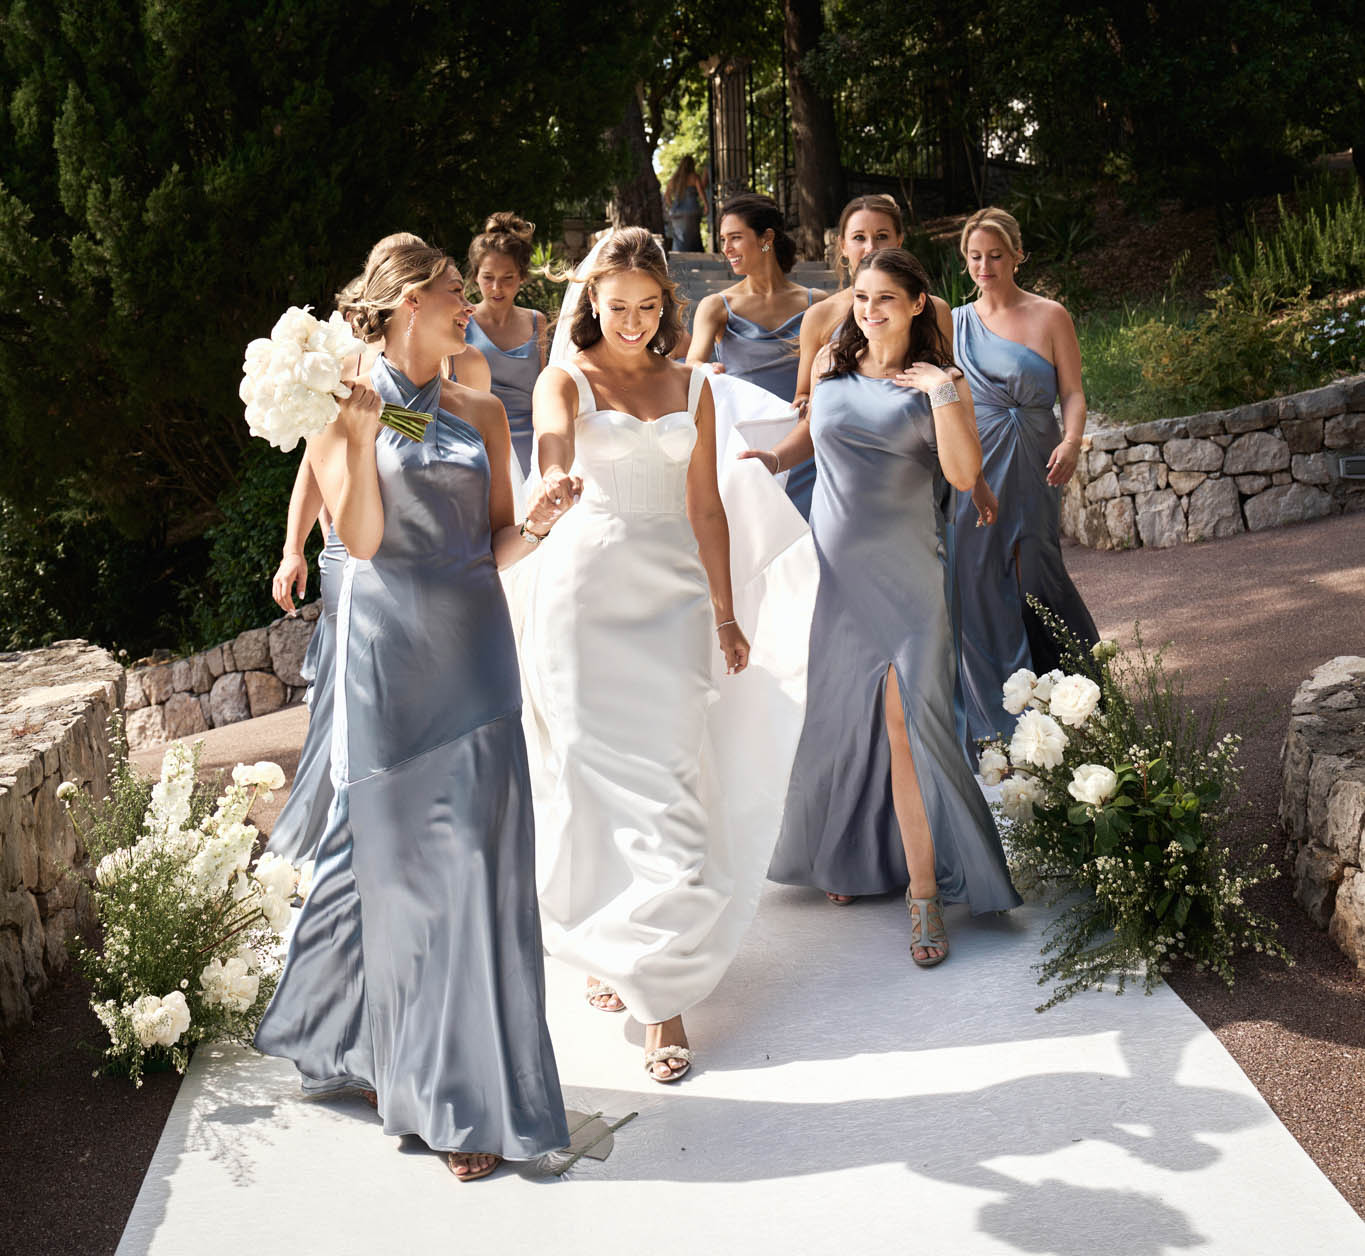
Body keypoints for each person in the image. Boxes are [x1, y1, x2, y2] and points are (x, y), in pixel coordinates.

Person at [256, 239, 568, 1183]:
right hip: (390, 659)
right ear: (400, 305)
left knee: (480, 865)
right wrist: (350, 431)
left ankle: (465, 1079)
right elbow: (362, 537)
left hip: (476, 652)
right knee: (407, 882)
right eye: (449, 294)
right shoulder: (349, 402)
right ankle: (442, 1103)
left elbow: (495, 545)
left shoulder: (481, 407)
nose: (467, 306)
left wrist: (542, 522)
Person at [520, 226, 801, 1087]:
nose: (633, 321)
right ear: (591, 305)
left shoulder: (693, 386)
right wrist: (558, 479)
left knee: (673, 790)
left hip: (673, 601)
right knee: (593, 791)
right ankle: (652, 995)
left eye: (647, 307)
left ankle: (653, 968)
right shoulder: (562, 377)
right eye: (617, 307)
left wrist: (724, 613)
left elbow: (707, 508)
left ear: (665, 308)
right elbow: (554, 445)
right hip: (584, 602)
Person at [745, 249, 1019, 963]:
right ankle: (854, 862)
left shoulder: (939, 381)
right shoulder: (833, 364)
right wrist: (772, 459)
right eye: (861, 296)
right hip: (837, 576)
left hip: (908, 581)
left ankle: (924, 895)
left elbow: (963, 476)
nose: (869, 309)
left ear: (918, 303)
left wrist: (942, 391)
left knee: (908, 727)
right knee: (842, 721)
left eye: (885, 299)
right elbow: (814, 425)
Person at [266, 245, 490, 864]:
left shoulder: (463, 368)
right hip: (352, 550)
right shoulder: (345, 370)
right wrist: (295, 547)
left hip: (429, 552)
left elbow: (441, 442)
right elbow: (316, 463)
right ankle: (338, 829)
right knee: (345, 692)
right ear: (401, 296)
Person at [951, 208, 1098, 735]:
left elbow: (1074, 392)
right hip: (975, 463)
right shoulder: (955, 323)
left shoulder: (1050, 315)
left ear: (1018, 255)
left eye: (995, 255)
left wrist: (1073, 441)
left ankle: (1077, 698)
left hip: (1036, 457)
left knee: (1037, 574)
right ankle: (999, 712)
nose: (984, 266)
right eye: (975, 257)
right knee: (978, 579)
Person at [687, 193, 826, 519]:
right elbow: (692, 362)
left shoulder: (816, 304)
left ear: (767, 238)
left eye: (736, 237)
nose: (727, 248)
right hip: (747, 444)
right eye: (723, 239)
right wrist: (705, 367)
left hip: (805, 442)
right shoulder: (716, 306)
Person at [793, 195, 953, 410]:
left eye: (882, 236)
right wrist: (803, 404)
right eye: (859, 237)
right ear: (842, 245)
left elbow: (949, 384)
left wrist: (944, 389)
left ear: (899, 241)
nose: (871, 247)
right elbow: (804, 393)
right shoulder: (819, 315)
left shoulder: (935, 309)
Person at [464, 212, 546, 479]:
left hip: (530, 448)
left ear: (522, 277)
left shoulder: (537, 322)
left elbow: (544, 394)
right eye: (488, 277)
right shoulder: (461, 323)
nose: (497, 288)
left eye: (507, 278)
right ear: (475, 276)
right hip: (476, 446)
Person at [663, 154, 708, 251]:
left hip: (677, 211)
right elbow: (701, 192)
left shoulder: (674, 178)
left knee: (679, 237)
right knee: (694, 235)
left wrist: (672, 206)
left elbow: (666, 195)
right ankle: (695, 253)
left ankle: (680, 254)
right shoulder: (694, 177)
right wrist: (706, 206)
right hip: (692, 210)